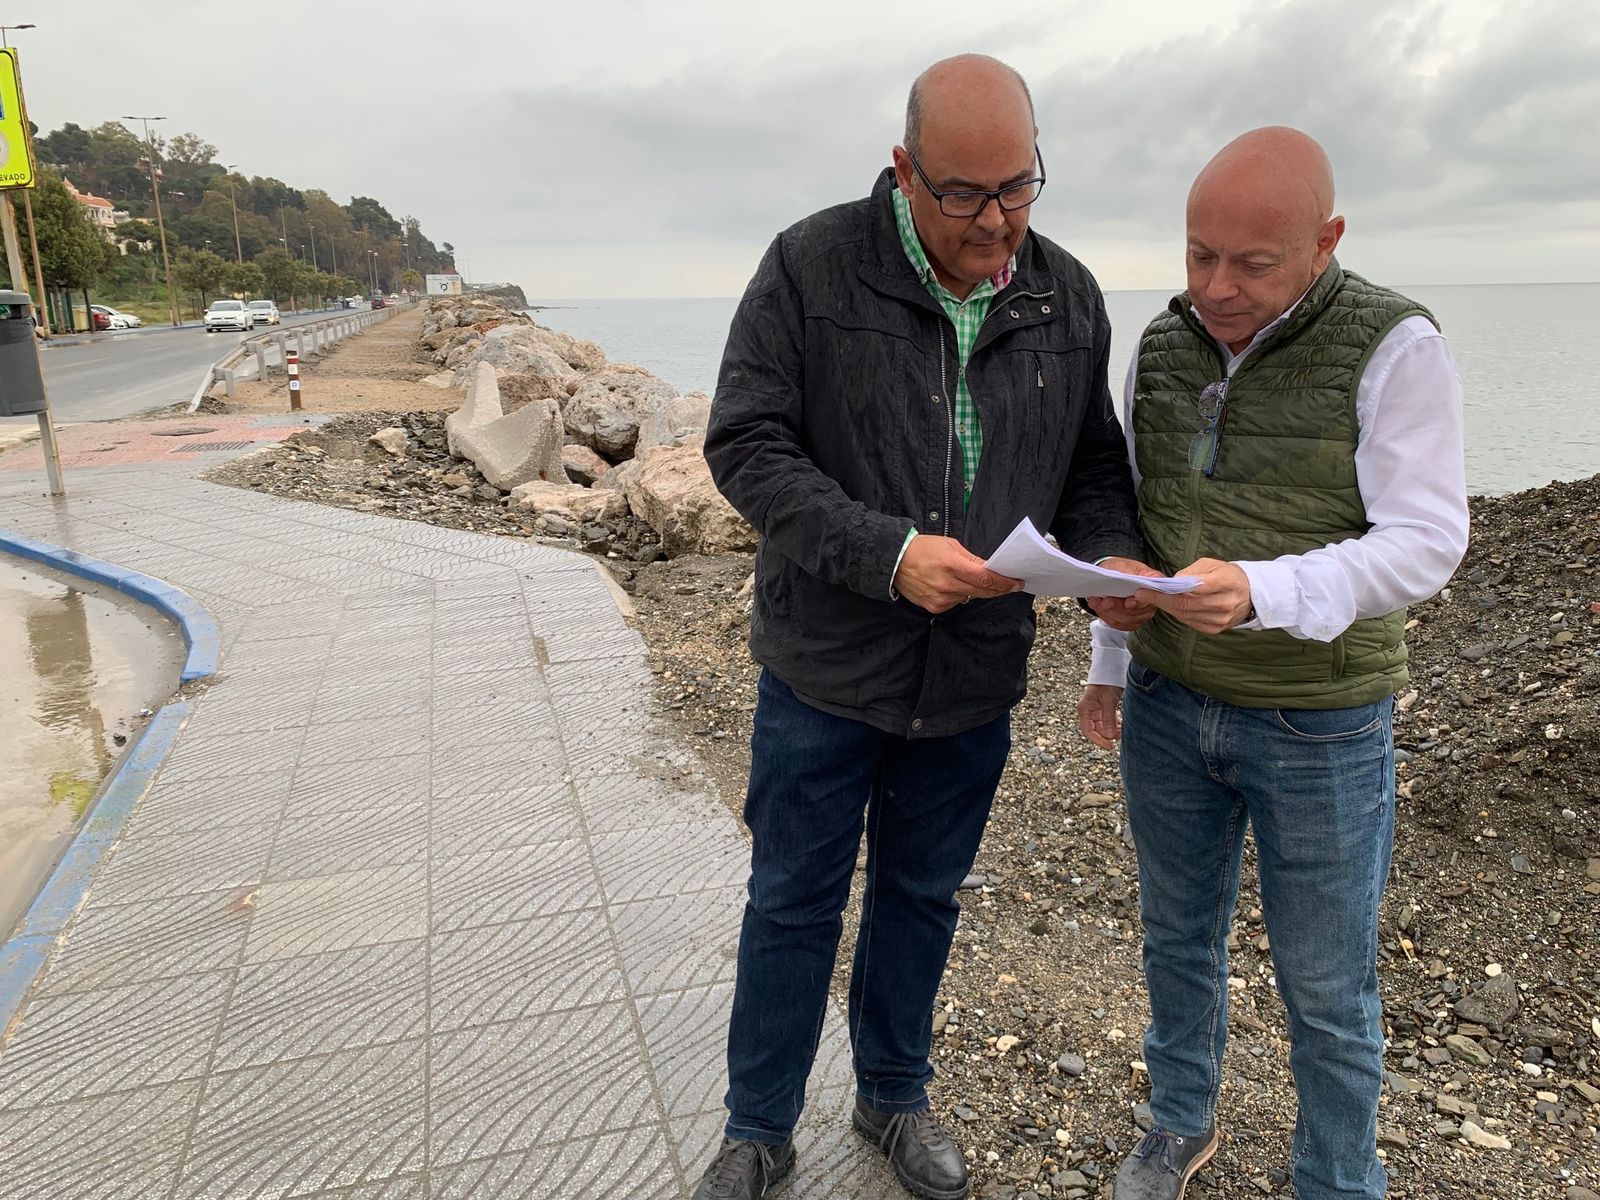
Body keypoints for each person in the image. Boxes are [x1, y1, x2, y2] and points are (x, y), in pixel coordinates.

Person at [699, 54, 1146, 1200]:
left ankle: (893, 1096)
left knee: (920, 897)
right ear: (903, 172)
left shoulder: (1066, 294)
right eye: (963, 195)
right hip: (822, 670)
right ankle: (757, 1127)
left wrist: (1106, 561)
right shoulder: (809, 266)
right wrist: (888, 556)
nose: (998, 221)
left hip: (973, 679)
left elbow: (1093, 464)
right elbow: (745, 445)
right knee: (793, 900)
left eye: (1020, 187)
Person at [1076, 127, 1469, 1200]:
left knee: (1327, 987)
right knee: (1174, 938)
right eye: (1198, 254)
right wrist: (1110, 653)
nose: (1215, 286)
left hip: (1322, 723)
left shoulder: (1396, 343)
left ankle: (1338, 1179)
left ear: (1325, 240)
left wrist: (1262, 589)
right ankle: (1178, 1125)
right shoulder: (1160, 345)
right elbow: (1147, 520)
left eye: (1250, 263)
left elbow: (1427, 539)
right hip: (1165, 702)